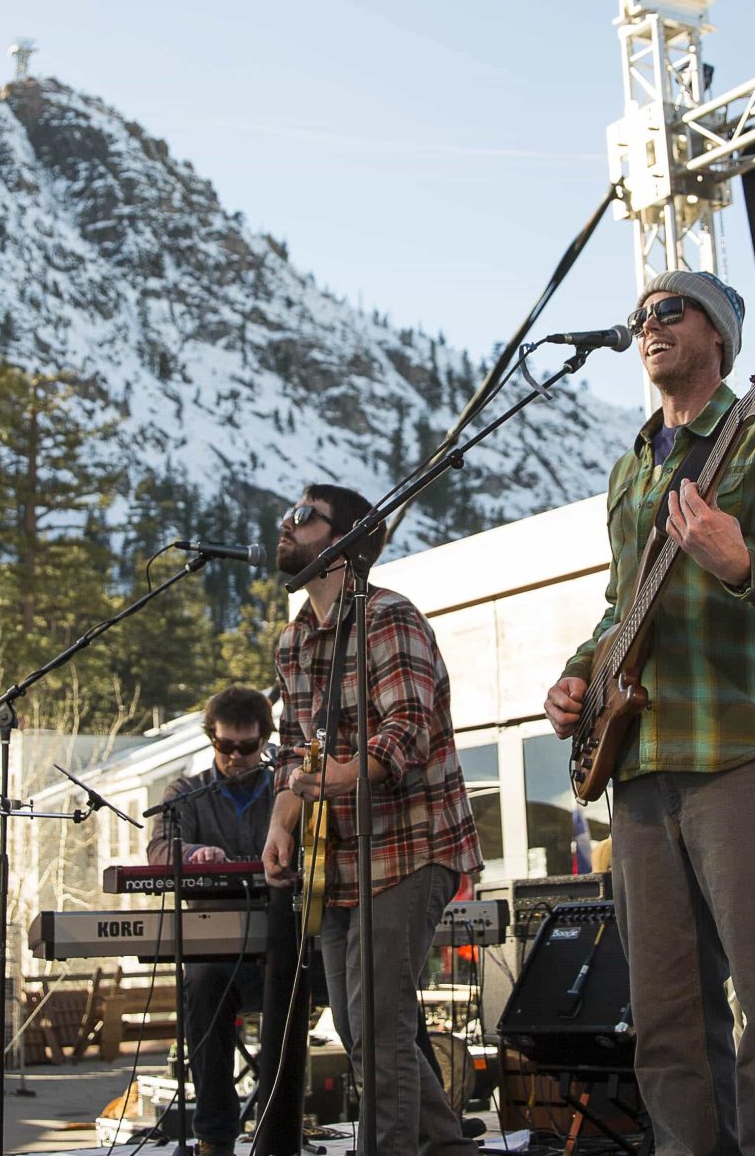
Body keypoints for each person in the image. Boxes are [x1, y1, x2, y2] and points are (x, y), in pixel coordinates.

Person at [543, 271, 755, 1156]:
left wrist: (737, 558)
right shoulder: (631, 467)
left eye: (668, 311)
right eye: (640, 315)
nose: (648, 325)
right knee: (668, 1021)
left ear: (717, 334)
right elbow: (621, 607)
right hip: (638, 769)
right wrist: (578, 680)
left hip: (742, 751)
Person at [261, 485, 483, 1156]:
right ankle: (444, 1145)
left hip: (411, 846)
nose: (285, 524)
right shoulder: (294, 640)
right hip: (338, 859)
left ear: (344, 541)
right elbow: (300, 750)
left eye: (303, 516)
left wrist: (342, 773)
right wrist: (281, 819)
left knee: (378, 1022)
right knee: (359, 1027)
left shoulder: (390, 615)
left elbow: (408, 727)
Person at [150, 685, 278, 1156]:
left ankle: (282, 1122)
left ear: (265, 740)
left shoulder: (285, 789)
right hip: (219, 953)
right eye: (227, 746)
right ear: (211, 740)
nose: (237, 757)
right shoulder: (186, 793)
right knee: (201, 983)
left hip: (286, 945)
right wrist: (191, 853)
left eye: (248, 747)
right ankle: (215, 1135)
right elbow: (159, 849)